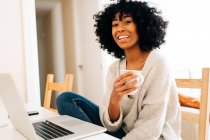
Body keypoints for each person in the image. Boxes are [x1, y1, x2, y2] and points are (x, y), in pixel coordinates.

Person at [56, 0, 181, 139]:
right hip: (122, 133)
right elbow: (110, 126)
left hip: (154, 136)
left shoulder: (159, 63)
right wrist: (114, 100)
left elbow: (150, 127)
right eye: (115, 24)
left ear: (142, 25)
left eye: (127, 22)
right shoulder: (114, 69)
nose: (119, 28)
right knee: (65, 99)